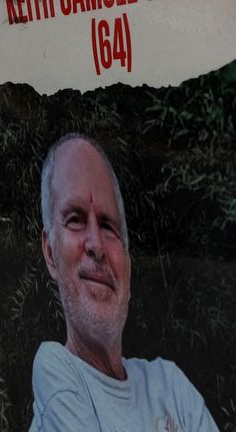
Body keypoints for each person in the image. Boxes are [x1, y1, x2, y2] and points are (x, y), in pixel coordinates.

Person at [30, 133, 217, 431]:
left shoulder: (171, 385)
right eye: (76, 219)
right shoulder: (55, 370)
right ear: (51, 253)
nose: (97, 246)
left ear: (128, 265)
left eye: (108, 226)